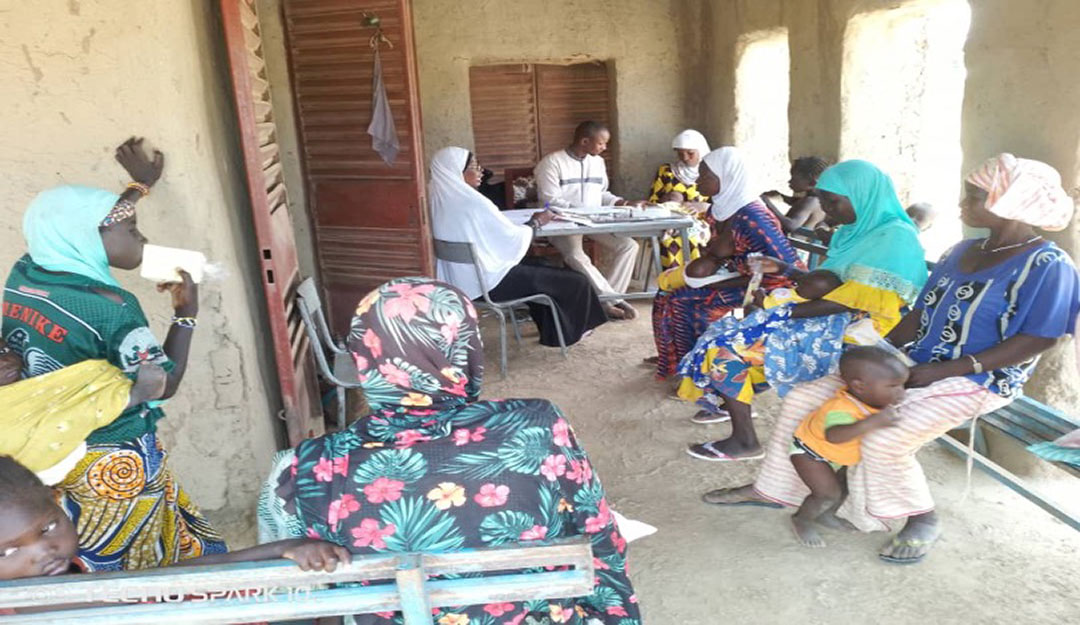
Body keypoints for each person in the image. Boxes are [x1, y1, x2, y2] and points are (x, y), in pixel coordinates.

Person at [703, 153, 1079, 565]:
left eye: (973, 195)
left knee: (885, 435)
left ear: (1009, 201)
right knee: (803, 399)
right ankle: (776, 490)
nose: (961, 202)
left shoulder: (1047, 264)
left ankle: (921, 517)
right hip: (914, 364)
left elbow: (1040, 339)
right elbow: (920, 313)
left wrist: (947, 370)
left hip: (980, 378)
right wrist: (882, 352)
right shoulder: (963, 250)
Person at [259, 278, 641, 624]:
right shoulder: (537, 426)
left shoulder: (303, 468)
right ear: (465, 349)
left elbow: (293, 589)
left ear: (364, 355)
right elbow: (599, 536)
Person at [1, 138, 224, 571]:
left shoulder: (26, 271)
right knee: (127, 564)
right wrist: (186, 314)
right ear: (87, 238)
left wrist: (137, 188)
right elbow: (163, 384)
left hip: (55, 448)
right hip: (114, 455)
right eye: (133, 231)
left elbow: (93, 224)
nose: (141, 239)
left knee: (80, 538)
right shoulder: (112, 309)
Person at [683, 160, 928, 460]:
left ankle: (744, 439)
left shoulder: (894, 237)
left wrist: (778, 310)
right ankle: (731, 401)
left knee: (727, 346)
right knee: (726, 331)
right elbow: (832, 284)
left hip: (864, 334)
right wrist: (784, 269)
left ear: (861, 195)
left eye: (833, 201)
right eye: (823, 201)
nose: (827, 210)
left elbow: (856, 300)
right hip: (833, 317)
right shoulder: (854, 232)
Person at [0, 455, 350, 582]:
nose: (43, 551)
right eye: (7, 552)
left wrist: (282, 549)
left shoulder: (80, 568)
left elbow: (165, 578)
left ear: (57, 501)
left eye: (47, 528)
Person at [649, 146, 803, 379]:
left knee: (687, 302)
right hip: (737, 278)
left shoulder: (754, 217)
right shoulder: (720, 209)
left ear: (726, 176)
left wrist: (714, 283)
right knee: (665, 294)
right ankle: (673, 360)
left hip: (770, 286)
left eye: (704, 176)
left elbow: (784, 268)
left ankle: (700, 373)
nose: (698, 182)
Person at [430, 147, 606, 346]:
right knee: (576, 280)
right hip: (490, 283)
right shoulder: (473, 202)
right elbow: (510, 236)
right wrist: (536, 222)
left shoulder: (436, 198)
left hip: (462, 280)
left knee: (542, 263)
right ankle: (570, 333)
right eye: (472, 167)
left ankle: (553, 332)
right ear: (455, 171)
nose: (479, 172)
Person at [788, 347, 907, 548]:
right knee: (826, 494)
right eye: (893, 386)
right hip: (809, 453)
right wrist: (873, 423)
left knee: (842, 488)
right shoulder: (841, 407)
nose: (901, 392)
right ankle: (802, 519)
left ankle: (826, 514)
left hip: (836, 457)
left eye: (903, 385)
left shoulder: (872, 400)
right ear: (859, 386)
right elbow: (834, 436)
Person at [534, 121, 640, 320]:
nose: (604, 148)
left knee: (628, 246)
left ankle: (606, 301)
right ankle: (613, 300)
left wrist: (623, 202)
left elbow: (602, 194)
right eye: (601, 143)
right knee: (575, 255)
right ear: (584, 141)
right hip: (561, 222)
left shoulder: (597, 162)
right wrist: (579, 213)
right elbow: (550, 200)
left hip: (594, 220)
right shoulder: (551, 162)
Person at [647, 129, 714, 270]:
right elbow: (652, 201)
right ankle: (673, 279)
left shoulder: (710, 174)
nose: (685, 158)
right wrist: (669, 201)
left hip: (702, 221)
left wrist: (702, 206)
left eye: (690, 153)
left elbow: (719, 205)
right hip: (670, 221)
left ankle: (692, 277)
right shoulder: (667, 171)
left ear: (701, 151)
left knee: (691, 238)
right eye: (680, 153)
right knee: (670, 239)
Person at [761, 157, 831, 233]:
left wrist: (767, 203)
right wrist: (780, 196)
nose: (789, 181)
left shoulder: (811, 202)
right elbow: (795, 202)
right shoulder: (818, 200)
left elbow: (791, 226)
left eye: (794, 178)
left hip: (791, 244)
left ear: (812, 183)